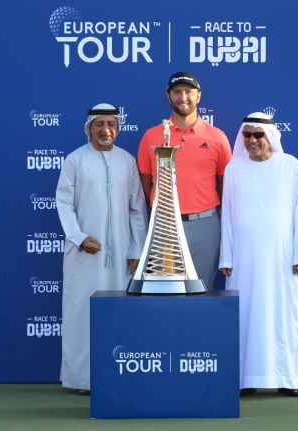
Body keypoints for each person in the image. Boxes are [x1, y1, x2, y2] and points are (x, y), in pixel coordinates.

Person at [219, 112, 298, 397]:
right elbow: (228, 216)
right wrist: (227, 257)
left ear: (270, 136)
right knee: (245, 315)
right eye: (247, 135)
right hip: (244, 260)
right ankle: (246, 379)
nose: (252, 140)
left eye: (258, 135)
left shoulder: (290, 165)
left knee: (284, 315)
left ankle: (289, 378)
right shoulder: (234, 167)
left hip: (282, 258)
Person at [56, 103, 147, 394]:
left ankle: (117, 373)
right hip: (84, 254)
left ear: (118, 128)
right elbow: (64, 204)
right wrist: (78, 237)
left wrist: (135, 249)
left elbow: (136, 209)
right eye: (100, 124)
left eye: (111, 124)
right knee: (82, 312)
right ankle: (83, 379)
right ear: (89, 128)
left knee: (120, 313)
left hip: (122, 256)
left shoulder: (127, 160)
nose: (106, 129)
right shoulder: (75, 160)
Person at [137, 71, 232, 290]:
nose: (183, 97)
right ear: (168, 96)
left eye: (188, 92)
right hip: (163, 226)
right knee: (164, 291)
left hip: (204, 225)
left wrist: (203, 208)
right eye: (177, 92)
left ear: (198, 96)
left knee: (200, 289)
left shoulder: (217, 137)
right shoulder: (152, 136)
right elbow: (146, 181)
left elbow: (225, 182)